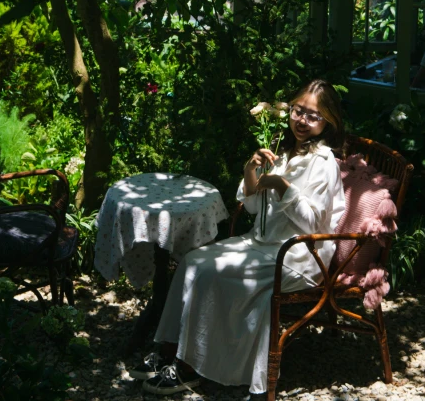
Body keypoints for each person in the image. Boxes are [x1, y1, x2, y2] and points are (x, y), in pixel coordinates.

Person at [130, 79, 346, 397]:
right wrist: (251, 171)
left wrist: (283, 187)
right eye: (299, 110)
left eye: (313, 116)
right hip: (261, 243)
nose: (302, 120)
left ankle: (189, 367)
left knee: (212, 273)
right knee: (192, 262)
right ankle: (171, 349)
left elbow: (313, 223)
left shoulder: (324, 164)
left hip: (298, 255)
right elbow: (255, 207)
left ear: (328, 121)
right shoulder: (283, 148)